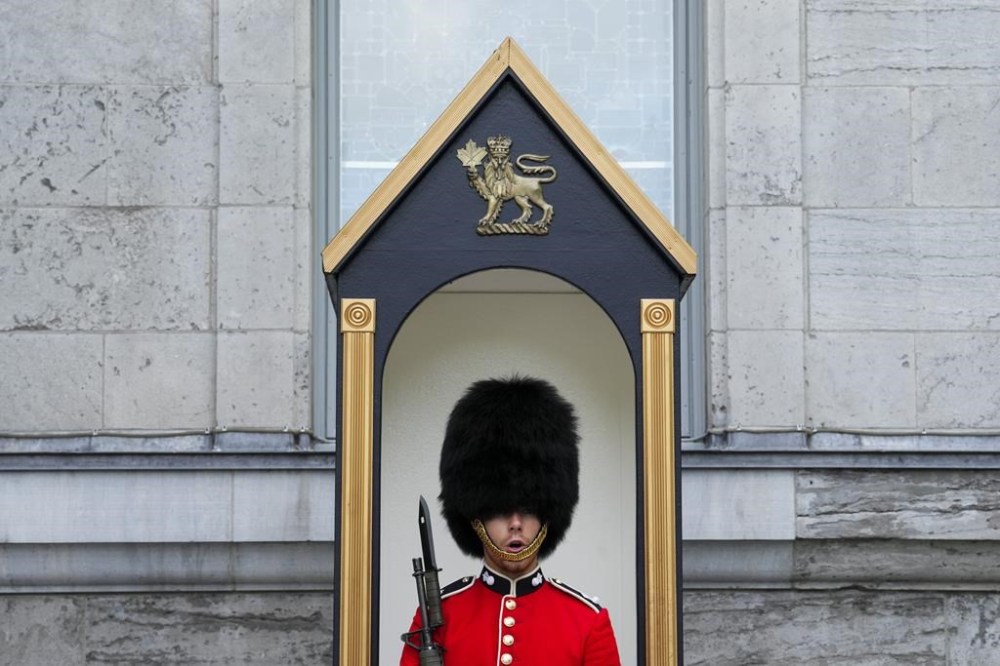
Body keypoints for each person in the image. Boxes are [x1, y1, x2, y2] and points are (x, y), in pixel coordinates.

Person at [400, 376, 621, 666]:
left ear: (547, 515)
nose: (515, 523)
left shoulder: (587, 620)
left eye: (528, 510)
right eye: (500, 510)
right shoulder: (438, 616)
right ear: (476, 516)